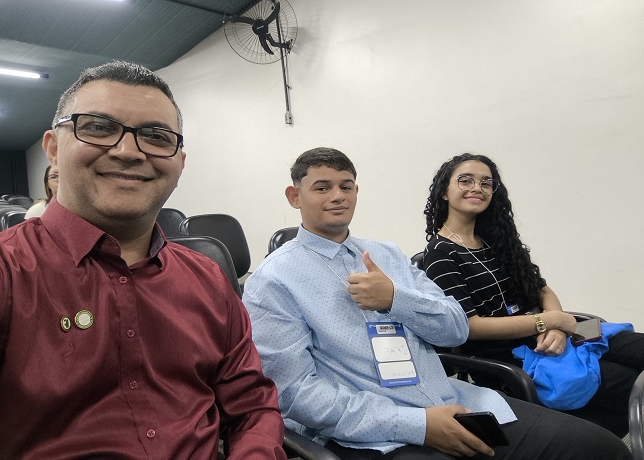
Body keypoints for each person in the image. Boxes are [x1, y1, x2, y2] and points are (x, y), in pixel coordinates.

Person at [242, 147, 631, 459]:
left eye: (346, 186)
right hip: (377, 433)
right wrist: (417, 424)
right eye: (322, 187)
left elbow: (456, 325)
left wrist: (395, 299)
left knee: (602, 447)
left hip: (456, 398)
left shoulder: (390, 254)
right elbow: (294, 393)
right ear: (295, 196)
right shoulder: (273, 280)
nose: (338, 196)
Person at [0, 61, 285, 459]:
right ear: (54, 149)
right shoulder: (5, 271)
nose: (129, 151)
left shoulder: (209, 279)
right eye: (99, 127)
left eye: (156, 136)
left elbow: (252, 408)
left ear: (180, 163)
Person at [422, 152, 644, 437]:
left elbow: (542, 289)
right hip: (517, 352)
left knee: (637, 347)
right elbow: (469, 327)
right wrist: (547, 323)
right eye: (466, 180)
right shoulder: (440, 254)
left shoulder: (497, 240)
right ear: (444, 191)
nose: (477, 188)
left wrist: (557, 325)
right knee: (633, 383)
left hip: (558, 329)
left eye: (486, 183)